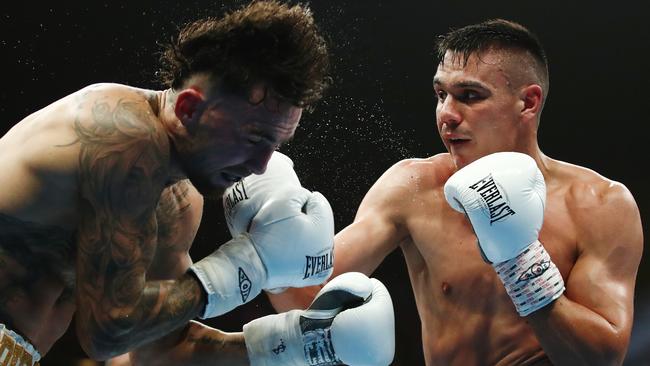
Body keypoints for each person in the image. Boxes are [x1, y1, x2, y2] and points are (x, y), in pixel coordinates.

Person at [0, 1, 395, 365]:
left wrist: (300, 342)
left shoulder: (180, 200)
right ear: (189, 108)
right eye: (254, 138)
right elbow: (105, 331)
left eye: (274, 145)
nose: (260, 166)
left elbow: (157, 349)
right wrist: (248, 265)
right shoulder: (120, 137)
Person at [266, 19, 644, 365]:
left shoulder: (600, 204)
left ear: (528, 102)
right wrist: (268, 248)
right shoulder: (413, 188)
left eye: (469, 95)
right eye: (440, 94)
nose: (446, 113)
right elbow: (305, 301)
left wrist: (521, 265)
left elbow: (603, 357)